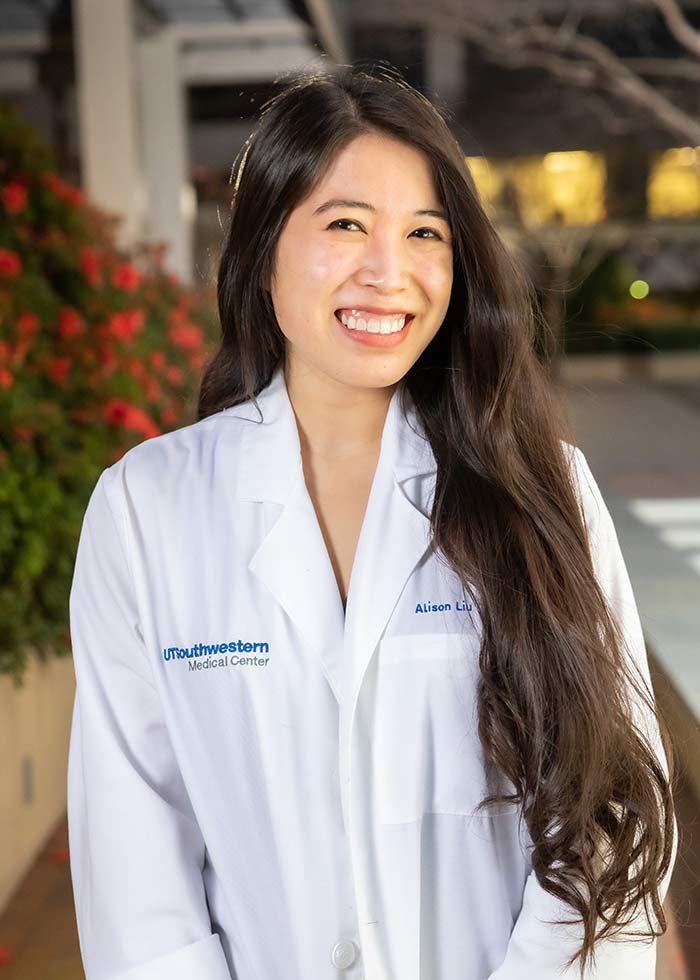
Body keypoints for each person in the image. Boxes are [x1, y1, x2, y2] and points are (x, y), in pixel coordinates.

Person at [67, 63, 677, 980]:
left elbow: (609, 821)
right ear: (264, 243)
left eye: (425, 233)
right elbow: (134, 862)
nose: (389, 273)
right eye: (346, 223)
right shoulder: (148, 509)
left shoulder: (542, 490)